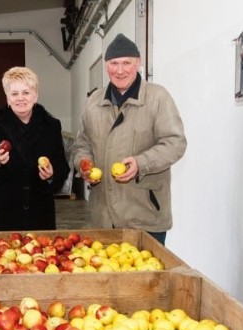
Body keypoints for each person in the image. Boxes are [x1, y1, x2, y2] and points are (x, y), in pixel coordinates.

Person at [71, 33, 187, 245]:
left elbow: (175, 142)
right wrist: (84, 164)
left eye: (127, 63)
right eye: (114, 63)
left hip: (145, 216)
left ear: (139, 63)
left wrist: (141, 163)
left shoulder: (158, 97)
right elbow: (82, 143)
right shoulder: (94, 102)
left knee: (146, 277)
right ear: (106, 65)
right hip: (103, 217)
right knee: (106, 277)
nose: (120, 70)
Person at [0, 66, 71, 231]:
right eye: (14, 93)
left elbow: (63, 167)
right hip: (1, 216)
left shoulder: (51, 126)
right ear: (7, 97)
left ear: (35, 95)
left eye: (26, 92)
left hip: (39, 215)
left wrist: (51, 174)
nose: (20, 98)